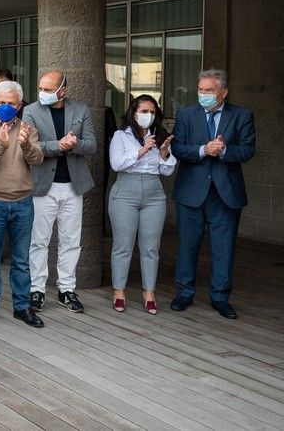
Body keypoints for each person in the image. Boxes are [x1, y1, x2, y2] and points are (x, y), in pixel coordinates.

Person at [170, 69, 256, 319]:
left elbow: (248, 150)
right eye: (201, 90)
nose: (204, 95)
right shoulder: (186, 114)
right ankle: (184, 293)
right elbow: (178, 148)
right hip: (191, 192)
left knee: (224, 247)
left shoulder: (242, 115)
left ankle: (220, 297)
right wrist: (204, 149)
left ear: (224, 92)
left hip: (225, 193)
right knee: (188, 245)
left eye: (209, 91)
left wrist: (224, 150)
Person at [22, 70, 97, 314]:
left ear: (62, 90)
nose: (42, 93)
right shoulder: (31, 111)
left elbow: (92, 145)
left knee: (71, 241)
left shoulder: (81, 110)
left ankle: (67, 289)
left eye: (48, 89)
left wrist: (73, 145)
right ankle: (37, 290)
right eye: (40, 88)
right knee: (39, 241)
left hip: (73, 186)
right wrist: (58, 145)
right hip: (43, 185)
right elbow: (31, 147)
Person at [0, 80, 45, 328]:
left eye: (11, 103)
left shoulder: (27, 128)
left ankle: (22, 306)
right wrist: (1, 146)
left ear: (20, 104)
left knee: (21, 260)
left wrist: (25, 144)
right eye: (1, 102)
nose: (5, 106)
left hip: (23, 202)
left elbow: (37, 159)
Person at [108, 95, 176, 314]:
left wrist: (164, 154)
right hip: (125, 192)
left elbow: (167, 171)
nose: (148, 116)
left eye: (152, 112)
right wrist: (142, 150)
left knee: (151, 247)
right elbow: (117, 164)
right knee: (123, 245)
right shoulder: (121, 135)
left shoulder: (161, 138)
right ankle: (119, 291)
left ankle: (149, 292)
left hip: (154, 193)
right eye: (144, 111)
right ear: (134, 112)